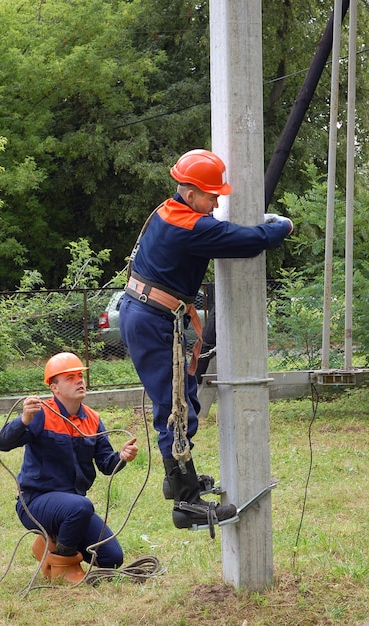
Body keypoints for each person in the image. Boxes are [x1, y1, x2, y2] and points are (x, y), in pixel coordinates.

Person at [119, 148, 293, 532]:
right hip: (151, 319)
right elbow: (250, 242)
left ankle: (177, 479)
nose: (217, 202)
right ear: (191, 191)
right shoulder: (193, 227)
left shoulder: (170, 211)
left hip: (149, 314)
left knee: (185, 397)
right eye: (213, 195)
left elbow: (226, 234)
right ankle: (186, 503)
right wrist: (282, 226)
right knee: (176, 407)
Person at [0, 352, 138, 584]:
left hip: (71, 507)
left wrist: (121, 457)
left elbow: (106, 465)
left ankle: (47, 542)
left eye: (80, 375)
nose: (79, 380)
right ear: (54, 388)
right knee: (81, 506)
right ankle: (63, 562)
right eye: (70, 377)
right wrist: (23, 420)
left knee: (112, 558)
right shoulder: (39, 415)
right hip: (35, 502)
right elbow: (1, 443)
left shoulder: (92, 419)